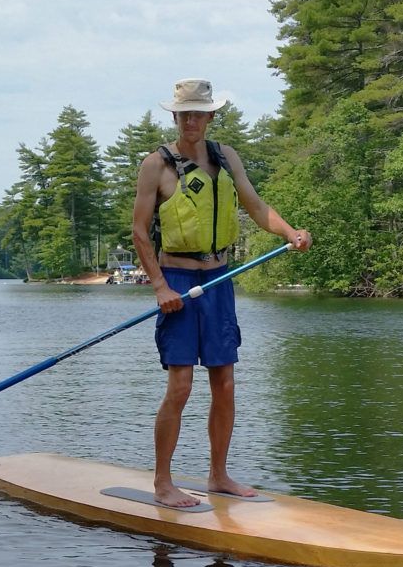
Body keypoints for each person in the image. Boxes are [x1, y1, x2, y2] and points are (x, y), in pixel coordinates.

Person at [132, 77, 312, 508]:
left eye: (199, 113)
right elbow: (140, 232)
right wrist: (159, 287)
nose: (191, 121)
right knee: (180, 386)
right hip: (177, 282)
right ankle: (162, 482)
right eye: (184, 114)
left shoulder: (226, 157)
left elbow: (254, 205)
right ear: (175, 117)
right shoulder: (155, 165)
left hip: (218, 282)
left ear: (211, 116)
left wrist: (290, 231)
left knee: (225, 384)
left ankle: (218, 475)